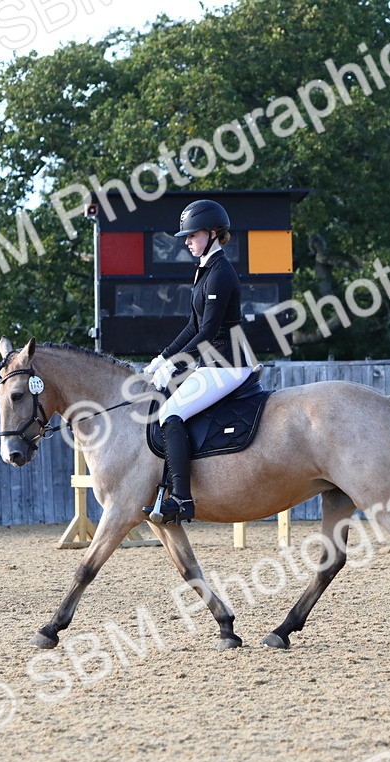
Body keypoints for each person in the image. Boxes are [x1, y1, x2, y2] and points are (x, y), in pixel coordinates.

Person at [142, 199, 255, 523]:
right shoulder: (204, 270)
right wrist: (162, 357)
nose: (188, 241)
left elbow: (207, 331)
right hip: (211, 362)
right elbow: (192, 325)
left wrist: (174, 365)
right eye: (187, 236)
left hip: (229, 363)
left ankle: (181, 498)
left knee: (171, 413)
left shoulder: (221, 274)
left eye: (193, 235)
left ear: (214, 233)